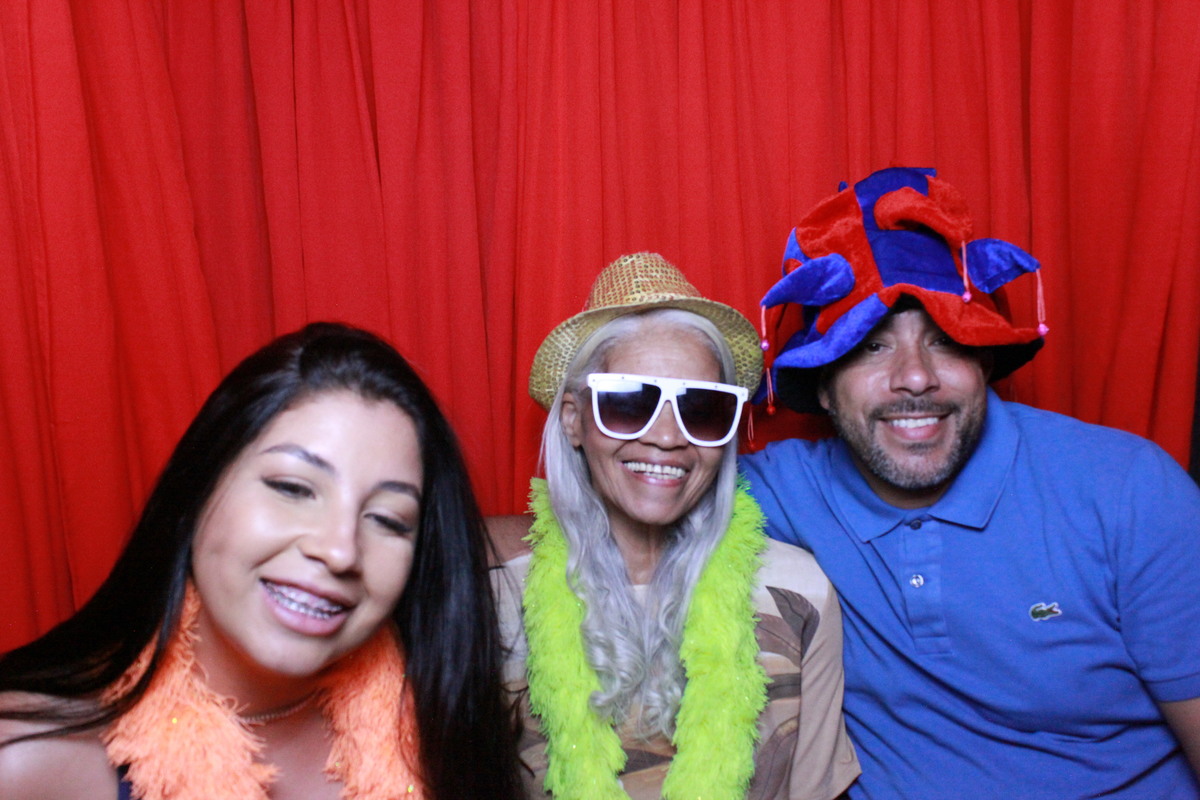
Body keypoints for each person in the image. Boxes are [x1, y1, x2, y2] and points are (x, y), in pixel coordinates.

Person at [740, 166, 1200, 799]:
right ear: (822, 384)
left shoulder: (1128, 491)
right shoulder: (782, 491)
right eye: (872, 346)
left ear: (983, 360)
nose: (915, 377)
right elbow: (640, 481)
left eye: (946, 341)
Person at [0, 322, 524, 800]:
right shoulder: (24, 757)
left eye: (387, 519)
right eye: (292, 488)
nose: (340, 550)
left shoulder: (442, 727)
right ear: (199, 486)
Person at [490, 252, 859, 799]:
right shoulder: (493, 594)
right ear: (573, 419)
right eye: (628, 403)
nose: (667, 437)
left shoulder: (800, 594)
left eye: (703, 409)